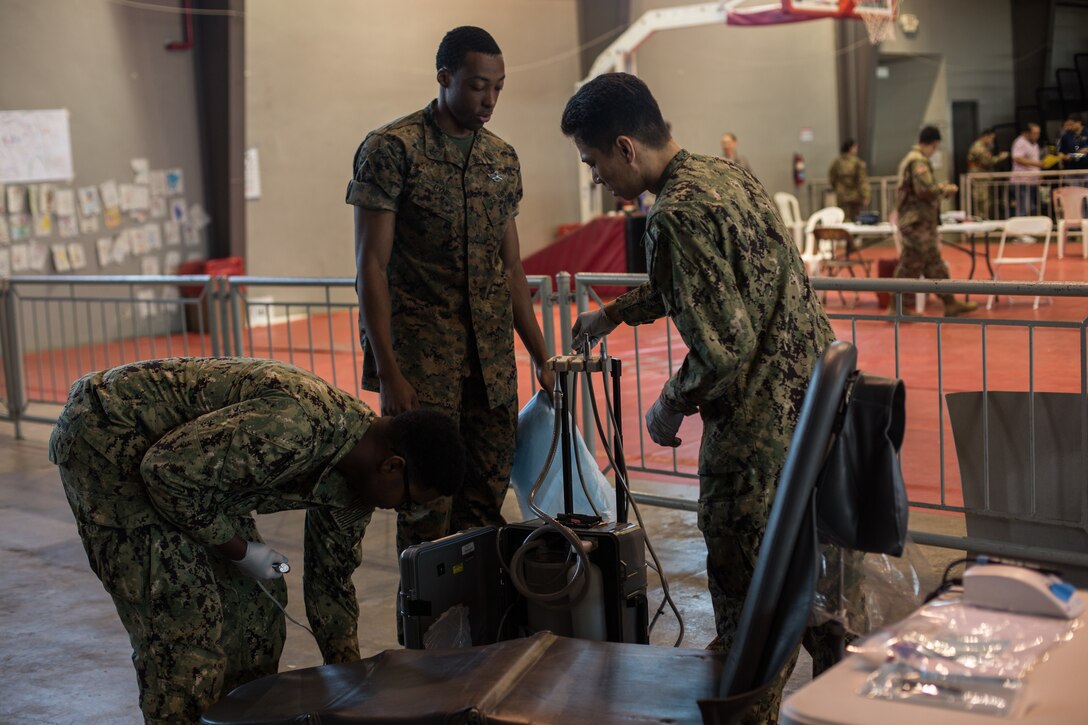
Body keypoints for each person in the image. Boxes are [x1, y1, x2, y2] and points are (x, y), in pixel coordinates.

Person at [563, 73, 833, 724]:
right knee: (795, 554)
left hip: (756, 421)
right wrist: (616, 313)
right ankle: (834, 659)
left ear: (625, 148)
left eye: (594, 162)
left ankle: (747, 703)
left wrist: (669, 403)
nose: (597, 178)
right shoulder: (722, 175)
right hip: (813, 401)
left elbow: (726, 347)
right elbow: (701, 278)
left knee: (743, 569)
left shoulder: (674, 214)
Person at [47, 357, 466, 724]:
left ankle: (235, 720)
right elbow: (165, 471)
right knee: (185, 624)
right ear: (392, 466)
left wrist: (354, 689)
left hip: (193, 476)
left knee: (259, 610)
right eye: (410, 502)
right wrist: (238, 549)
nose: (404, 513)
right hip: (110, 439)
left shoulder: (358, 488)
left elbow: (331, 582)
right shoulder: (295, 427)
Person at [346, 26, 553, 555]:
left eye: (499, 87)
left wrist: (542, 358)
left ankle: (477, 628)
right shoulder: (393, 150)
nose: (490, 100)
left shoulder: (501, 160)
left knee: (485, 501)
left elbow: (511, 269)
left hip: (491, 369)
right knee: (424, 512)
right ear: (444, 77)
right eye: (479, 86)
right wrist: (389, 372)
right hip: (422, 366)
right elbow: (372, 264)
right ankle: (425, 636)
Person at [893, 126, 977, 317]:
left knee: (932, 262)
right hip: (917, 222)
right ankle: (898, 305)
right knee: (911, 264)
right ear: (934, 144)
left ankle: (948, 302)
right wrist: (945, 189)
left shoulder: (912, 159)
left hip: (919, 222)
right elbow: (925, 190)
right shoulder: (918, 161)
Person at [965, 128, 1008, 219]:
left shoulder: (983, 147)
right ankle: (981, 225)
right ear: (985, 136)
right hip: (979, 179)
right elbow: (987, 161)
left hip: (983, 179)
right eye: (991, 138)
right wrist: (1000, 157)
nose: (991, 141)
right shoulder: (979, 147)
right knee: (982, 203)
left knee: (986, 203)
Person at [828, 138, 870, 222]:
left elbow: (832, 177)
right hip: (855, 196)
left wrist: (837, 187)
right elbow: (862, 181)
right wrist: (866, 194)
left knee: (843, 219)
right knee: (856, 220)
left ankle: (844, 235)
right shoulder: (858, 163)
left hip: (841, 196)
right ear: (851, 148)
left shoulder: (837, 162)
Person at [1010, 122, 1044, 216]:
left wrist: (1039, 173)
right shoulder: (1020, 142)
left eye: (1038, 133)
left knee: (1032, 207)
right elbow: (1017, 158)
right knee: (1023, 207)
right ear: (1027, 133)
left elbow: (1035, 159)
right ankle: (1020, 229)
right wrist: (1037, 164)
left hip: (1032, 180)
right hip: (1021, 181)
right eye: (1034, 133)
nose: (1037, 136)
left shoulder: (1035, 144)